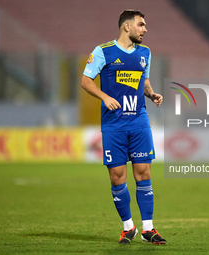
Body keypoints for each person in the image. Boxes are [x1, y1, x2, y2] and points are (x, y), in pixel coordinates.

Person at [81, 10, 166, 245]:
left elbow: (144, 81)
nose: (145, 29)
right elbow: (86, 81)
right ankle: (128, 227)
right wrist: (103, 97)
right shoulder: (103, 51)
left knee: (144, 174)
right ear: (126, 27)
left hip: (139, 122)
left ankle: (148, 229)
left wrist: (151, 94)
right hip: (113, 125)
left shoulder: (145, 53)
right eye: (141, 25)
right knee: (117, 177)